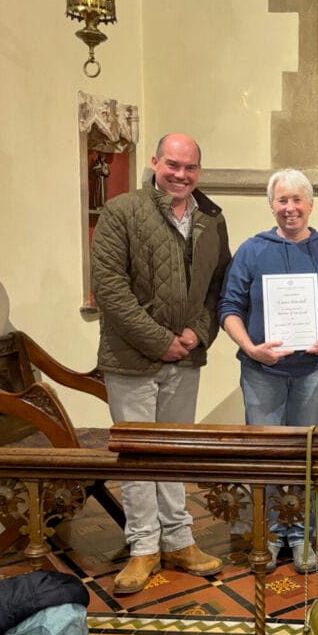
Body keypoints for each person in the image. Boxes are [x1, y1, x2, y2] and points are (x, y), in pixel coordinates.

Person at [91, 132, 231, 595]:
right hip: (132, 359)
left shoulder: (211, 217)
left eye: (190, 168)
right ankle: (142, 547)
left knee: (173, 452)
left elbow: (219, 284)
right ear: (155, 162)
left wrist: (197, 333)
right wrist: (160, 341)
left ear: (199, 172)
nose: (180, 175)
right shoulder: (122, 212)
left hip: (185, 357)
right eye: (172, 164)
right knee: (139, 457)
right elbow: (110, 289)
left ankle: (179, 540)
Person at [218, 168, 318, 573]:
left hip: (313, 371)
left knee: (305, 456)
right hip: (262, 371)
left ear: (311, 205)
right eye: (282, 200)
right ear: (271, 205)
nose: (290, 207)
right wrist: (250, 348)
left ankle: (300, 534)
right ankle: (267, 534)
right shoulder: (252, 250)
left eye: (297, 199)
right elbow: (229, 307)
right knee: (264, 455)